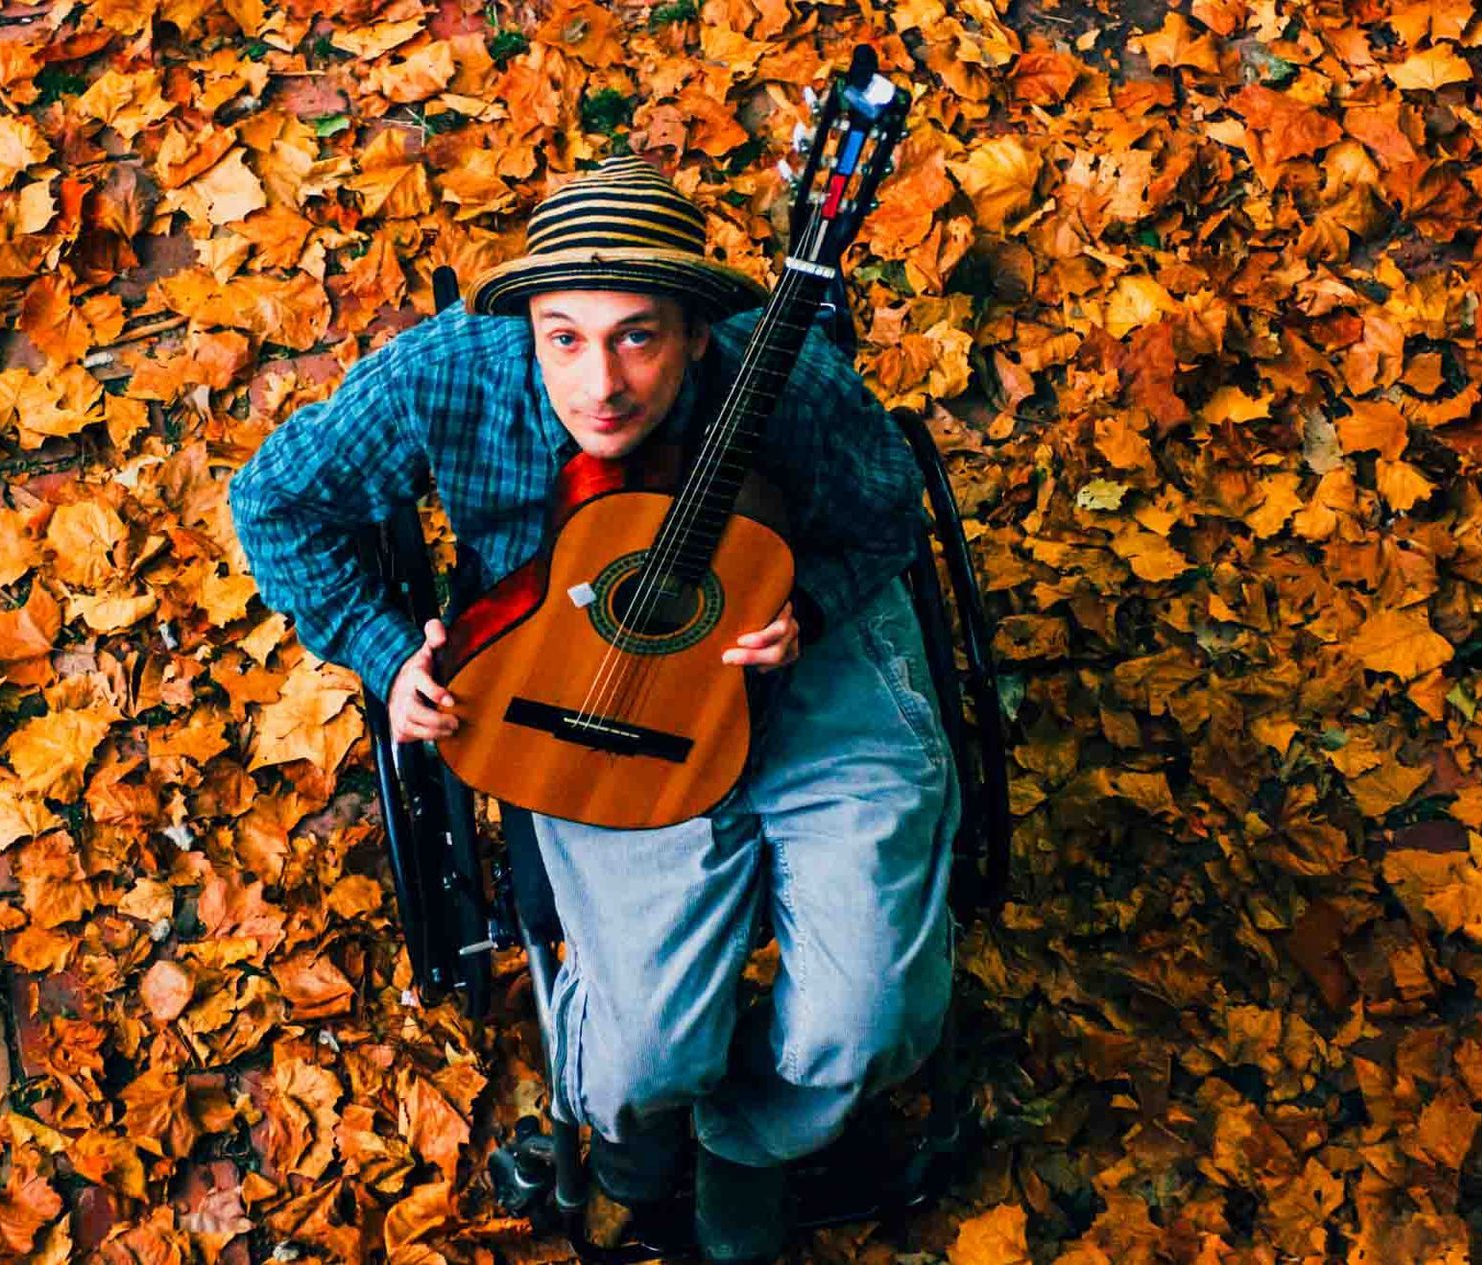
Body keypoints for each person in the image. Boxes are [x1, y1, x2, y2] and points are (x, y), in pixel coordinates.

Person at [229, 157, 957, 1264]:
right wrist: (388, 654)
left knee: (872, 1022)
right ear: (526, 325)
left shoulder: (792, 382)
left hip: (793, 657)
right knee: (644, 1054)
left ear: (700, 332)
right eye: (564, 336)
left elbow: (886, 518)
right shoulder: (452, 374)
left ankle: (752, 1147)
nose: (599, 383)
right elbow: (276, 498)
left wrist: (806, 605)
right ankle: (631, 1140)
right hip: (593, 683)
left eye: (638, 336)